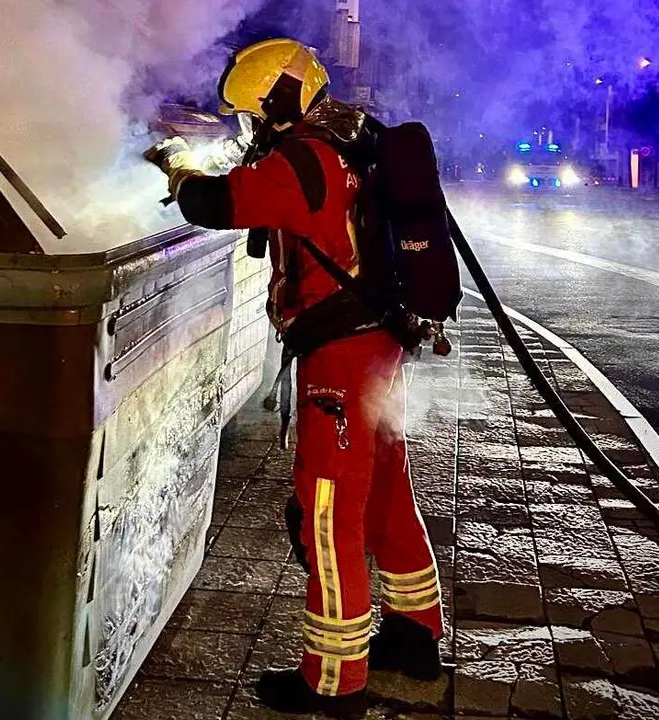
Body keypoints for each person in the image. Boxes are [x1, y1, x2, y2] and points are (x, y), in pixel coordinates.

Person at [147, 38, 444, 720]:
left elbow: (216, 204)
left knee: (328, 512)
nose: (251, 126)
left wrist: (174, 169)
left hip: (340, 357)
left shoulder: (303, 158)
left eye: (253, 112)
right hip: (379, 344)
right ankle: (415, 633)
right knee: (385, 495)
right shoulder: (346, 144)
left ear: (277, 100)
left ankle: (334, 681)